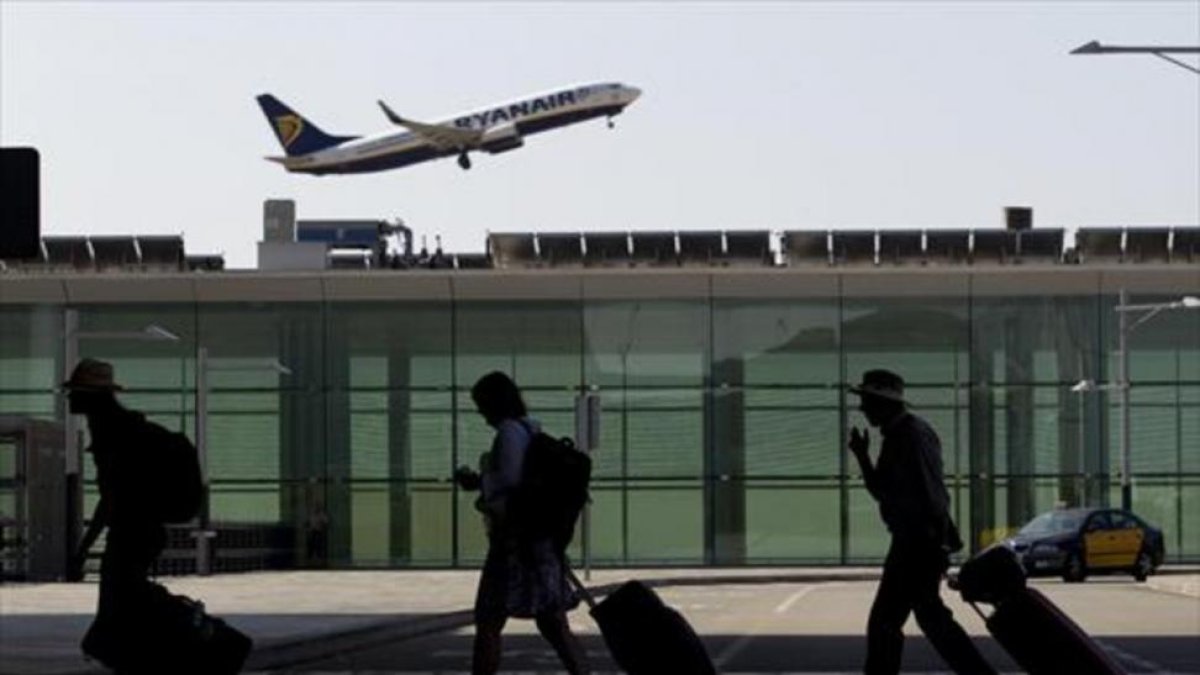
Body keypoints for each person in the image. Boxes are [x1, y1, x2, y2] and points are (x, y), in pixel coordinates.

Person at [847, 369, 996, 675]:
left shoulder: (907, 438)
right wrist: (862, 456)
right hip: (919, 541)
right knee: (926, 617)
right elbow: (887, 491)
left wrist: (930, 539)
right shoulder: (907, 434)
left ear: (883, 403)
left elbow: (927, 495)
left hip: (916, 544)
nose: (863, 408)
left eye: (867, 402)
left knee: (888, 622)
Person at [453, 371, 590, 675]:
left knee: (489, 620)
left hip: (514, 544)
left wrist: (479, 481)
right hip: (538, 542)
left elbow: (510, 480)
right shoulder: (529, 430)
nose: (481, 414)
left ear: (493, 403)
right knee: (553, 624)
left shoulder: (509, 433)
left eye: (482, 405)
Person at [65, 358, 168, 667]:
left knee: (117, 608)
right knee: (123, 607)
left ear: (91, 396)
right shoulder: (119, 428)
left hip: (132, 534)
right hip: (141, 532)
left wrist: (83, 549)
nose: (70, 397)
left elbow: (111, 498)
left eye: (75, 391)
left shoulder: (113, 434)